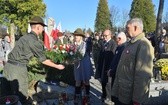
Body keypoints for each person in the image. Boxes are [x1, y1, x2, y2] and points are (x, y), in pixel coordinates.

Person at [3, 16, 65, 104]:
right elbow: (43, 60)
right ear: (38, 27)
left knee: (6, 98)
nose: (43, 29)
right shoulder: (34, 41)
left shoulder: (24, 37)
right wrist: (57, 66)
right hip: (17, 71)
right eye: (43, 27)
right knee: (21, 97)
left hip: (7, 68)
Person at [111, 18, 154, 105]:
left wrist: (137, 100)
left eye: (127, 27)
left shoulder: (143, 44)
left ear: (135, 27)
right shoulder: (130, 44)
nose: (125, 30)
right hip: (122, 92)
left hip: (130, 97)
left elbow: (143, 74)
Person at [95, 29, 117, 102]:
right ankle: (104, 95)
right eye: (103, 35)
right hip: (102, 65)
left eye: (105, 35)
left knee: (108, 83)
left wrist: (110, 68)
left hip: (108, 66)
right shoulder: (102, 43)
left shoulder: (113, 44)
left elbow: (113, 57)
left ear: (110, 35)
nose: (104, 37)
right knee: (102, 81)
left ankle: (109, 97)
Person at [73, 28, 93, 105]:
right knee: (78, 80)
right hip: (77, 64)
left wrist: (74, 58)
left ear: (81, 36)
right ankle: (77, 96)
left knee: (86, 80)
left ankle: (87, 96)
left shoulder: (85, 44)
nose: (76, 37)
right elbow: (72, 54)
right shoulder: (73, 45)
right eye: (75, 36)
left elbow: (81, 54)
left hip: (85, 63)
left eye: (77, 36)